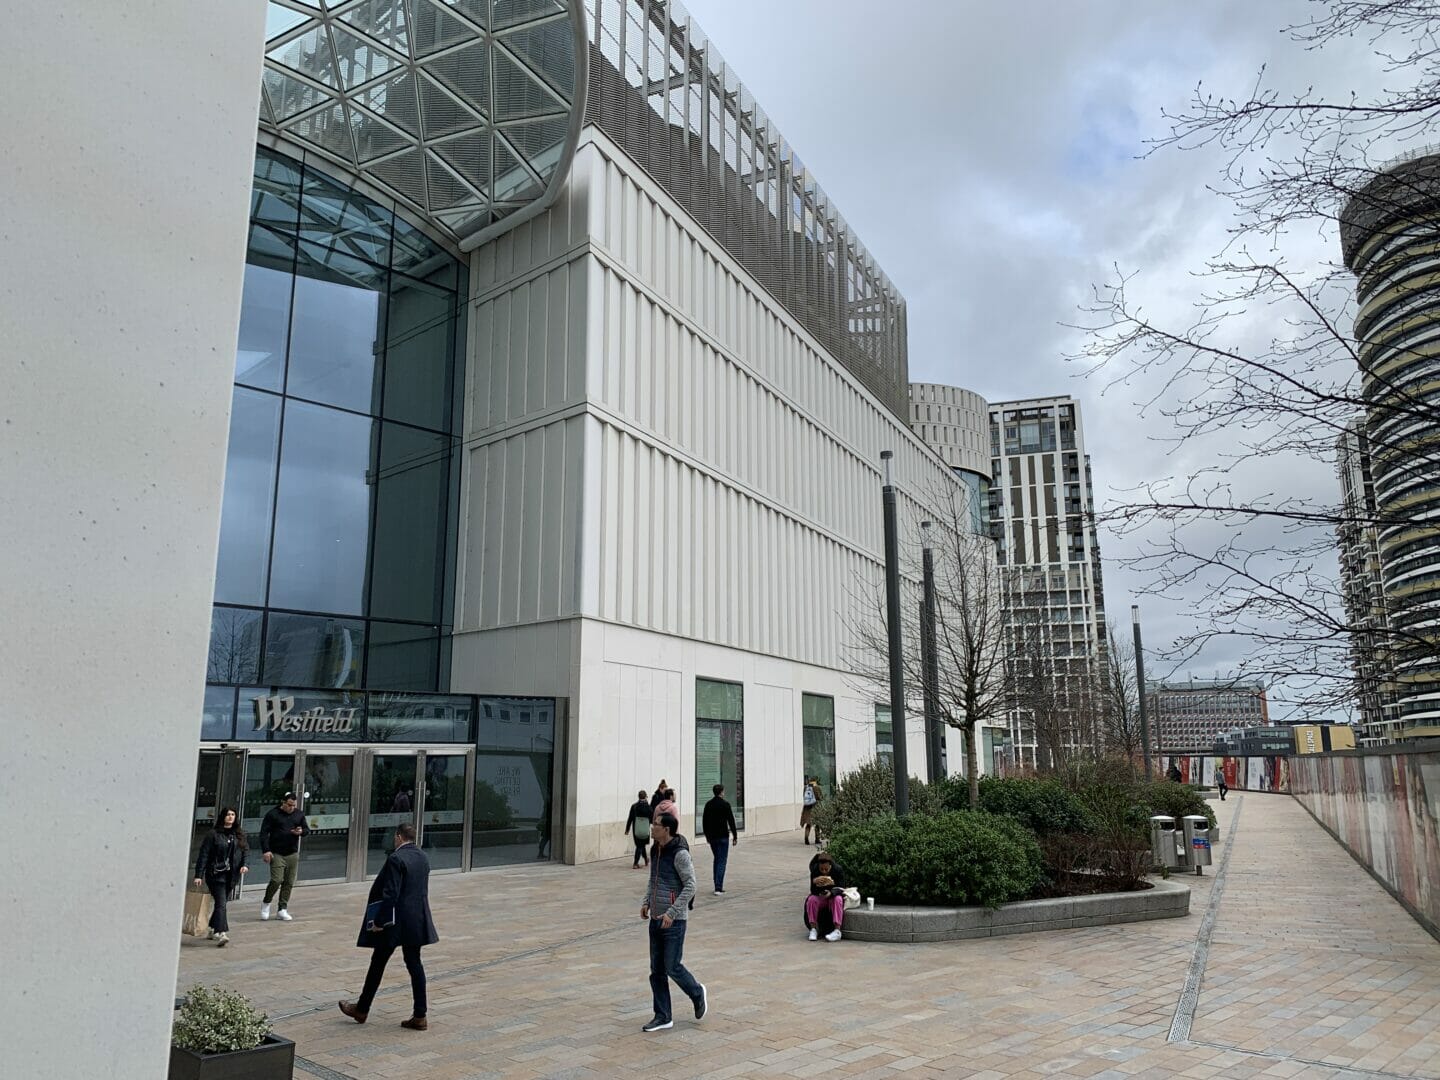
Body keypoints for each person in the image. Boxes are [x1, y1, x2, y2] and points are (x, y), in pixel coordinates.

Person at [339, 822, 438, 1031]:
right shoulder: (423, 857)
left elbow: (391, 893)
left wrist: (379, 921)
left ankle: (362, 1009)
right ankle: (420, 1015)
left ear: (399, 837)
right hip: (417, 919)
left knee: (378, 962)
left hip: (395, 922)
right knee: (414, 963)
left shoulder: (396, 858)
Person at [639, 813, 707, 1033]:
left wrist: (672, 912)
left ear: (666, 829)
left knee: (672, 966)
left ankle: (697, 993)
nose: (652, 828)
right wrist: (646, 901)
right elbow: (653, 879)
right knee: (656, 970)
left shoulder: (680, 854)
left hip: (674, 922)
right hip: (656, 919)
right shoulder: (655, 850)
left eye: (656, 825)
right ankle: (663, 1016)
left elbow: (691, 885)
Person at [193, 806, 248, 947]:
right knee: (221, 903)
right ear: (223, 816)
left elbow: (244, 851)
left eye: (233, 814)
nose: (230, 817)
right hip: (215, 874)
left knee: (221, 904)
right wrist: (198, 875)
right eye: (228, 814)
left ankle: (212, 929)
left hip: (232, 874)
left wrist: (244, 864)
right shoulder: (213, 834)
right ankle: (221, 932)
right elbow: (204, 854)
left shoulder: (239, 834)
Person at [259, 791, 309, 921]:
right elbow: (264, 833)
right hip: (276, 852)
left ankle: (282, 908)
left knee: (288, 882)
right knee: (276, 880)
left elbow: (306, 830)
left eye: (294, 805)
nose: (291, 808)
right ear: (283, 802)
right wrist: (266, 850)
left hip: (292, 852)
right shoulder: (273, 814)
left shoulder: (299, 814)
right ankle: (266, 902)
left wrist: (301, 831)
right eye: (289, 805)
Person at [701, 783, 738, 895]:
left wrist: (707, 835)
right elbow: (731, 820)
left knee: (717, 859)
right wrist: (735, 835)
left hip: (712, 837)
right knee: (721, 861)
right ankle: (718, 887)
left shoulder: (708, 804)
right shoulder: (725, 804)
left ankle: (716, 884)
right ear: (721, 792)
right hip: (722, 836)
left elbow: (704, 821)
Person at [804, 851, 847, 942]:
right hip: (821, 897)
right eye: (821, 869)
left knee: (838, 899)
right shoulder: (815, 870)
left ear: (830, 865)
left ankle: (837, 930)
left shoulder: (838, 870)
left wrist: (831, 892)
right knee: (811, 899)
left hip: (832, 896)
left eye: (826, 869)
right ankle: (813, 929)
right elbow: (813, 891)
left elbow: (842, 888)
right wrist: (815, 882)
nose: (824, 872)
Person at [625, 789, 652, 869]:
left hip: (636, 829)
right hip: (645, 829)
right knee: (641, 845)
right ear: (646, 797)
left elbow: (630, 818)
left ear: (638, 797)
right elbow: (652, 818)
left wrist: (627, 829)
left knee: (640, 845)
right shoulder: (648, 807)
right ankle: (635, 863)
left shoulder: (634, 806)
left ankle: (646, 859)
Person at [801, 777, 823, 844]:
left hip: (807, 808)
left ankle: (806, 838)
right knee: (817, 824)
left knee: (808, 824)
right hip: (815, 807)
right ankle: (817, 839)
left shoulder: (805, 788)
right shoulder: (817, 788)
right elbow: (820, 797)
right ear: (815, 781)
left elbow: (804, 797)